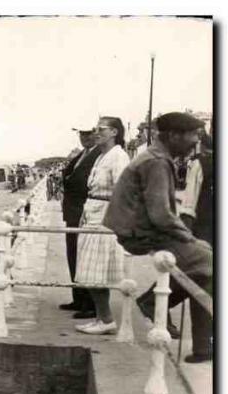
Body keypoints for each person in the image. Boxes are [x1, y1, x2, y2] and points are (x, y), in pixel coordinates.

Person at [104, 112, 212, 363]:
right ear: (174, 135)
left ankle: (204, 345)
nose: (196, 141)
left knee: (203, 267)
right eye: (193, 135)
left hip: (135, 227)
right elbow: (161, 215)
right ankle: (152, 302)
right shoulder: (157, 162)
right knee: (208, 262)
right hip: (140, 232)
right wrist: (191, 239)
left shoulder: (154, 157)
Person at [74, 116, 131, 335]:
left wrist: (113, 220)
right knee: (90, 271)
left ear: (115, 132)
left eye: (101, 129)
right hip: (92, 213)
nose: (96, 132)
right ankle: (101, 317)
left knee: (95, 270)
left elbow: (122, 190)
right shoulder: (102, 156)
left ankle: (106, 319)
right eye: (96, 128)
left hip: (104, 217)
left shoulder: (118, 156)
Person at [59, 125, 101, 317]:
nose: (84, 137)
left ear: (96, 134)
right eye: (81, 134)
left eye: (88, 133)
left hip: (84, 213)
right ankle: (78, 298)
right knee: (73, 255)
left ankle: (90, 304)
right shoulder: (83, 154)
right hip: (73, 213)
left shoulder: (99, 155)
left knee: (85, 258)